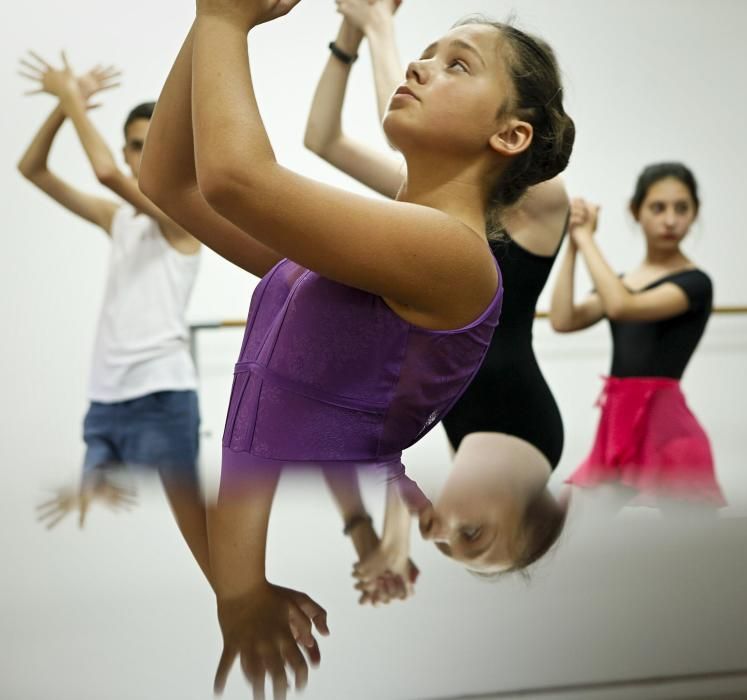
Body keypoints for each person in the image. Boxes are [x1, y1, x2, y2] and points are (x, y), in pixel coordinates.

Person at [138, 1, 573, 694]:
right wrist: (212, 19)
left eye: (457, 62)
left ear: (511, 135)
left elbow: (233, 178)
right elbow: (171, 185)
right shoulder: (355, 257)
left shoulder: (454, 256)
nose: (419, 64)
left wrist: (224, 18)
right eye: (427, 52)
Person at [305, 0, 572, 581]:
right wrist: (358, 30)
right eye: (468, 535)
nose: (445, 531)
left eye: (460, 66)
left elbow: (395, 438)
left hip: (480, 418)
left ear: (516, 129)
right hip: (516, 419)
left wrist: (373, 23)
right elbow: (322, 138)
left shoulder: (537, 198)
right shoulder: (473, 198)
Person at [17, 52, 203, 525]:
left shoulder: (186, 217)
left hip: (162, 401)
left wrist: (69, 96)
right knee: (94, 532)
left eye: (154, 144)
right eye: (135, 146)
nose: (143, 155)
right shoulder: (118, 218)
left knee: (160, 541)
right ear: (125, 152)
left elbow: (105, 174)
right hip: (104, 405)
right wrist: (65, 104)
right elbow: (32, 169)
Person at [550, 163, 725, 511]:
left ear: (695, 213)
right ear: (636, 211)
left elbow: (621, 306)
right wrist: (573, 244)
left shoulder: (695, 283)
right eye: (658, 207)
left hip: (668, 434)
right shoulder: (623, 282)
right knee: (582, 531)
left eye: (682, 208)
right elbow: (563, 319)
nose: (671, 220)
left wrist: (587, 238)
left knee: (688, 552)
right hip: (618, 426)